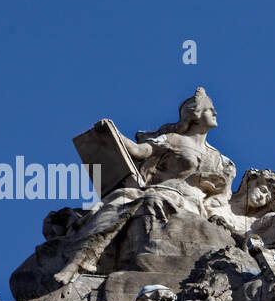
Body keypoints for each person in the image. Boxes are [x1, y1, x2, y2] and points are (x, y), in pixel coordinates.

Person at [55, 88, 236, 283]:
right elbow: (138, 151)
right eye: (210, 109)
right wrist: (113, 133)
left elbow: (222, 198)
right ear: (195, 114)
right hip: (162, 190)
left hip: (188, 201)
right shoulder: (173, 139)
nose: (216, 113)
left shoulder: (220, 160)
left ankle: (142, 256)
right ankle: (80, 261)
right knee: (118, 200)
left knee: (151, 200)